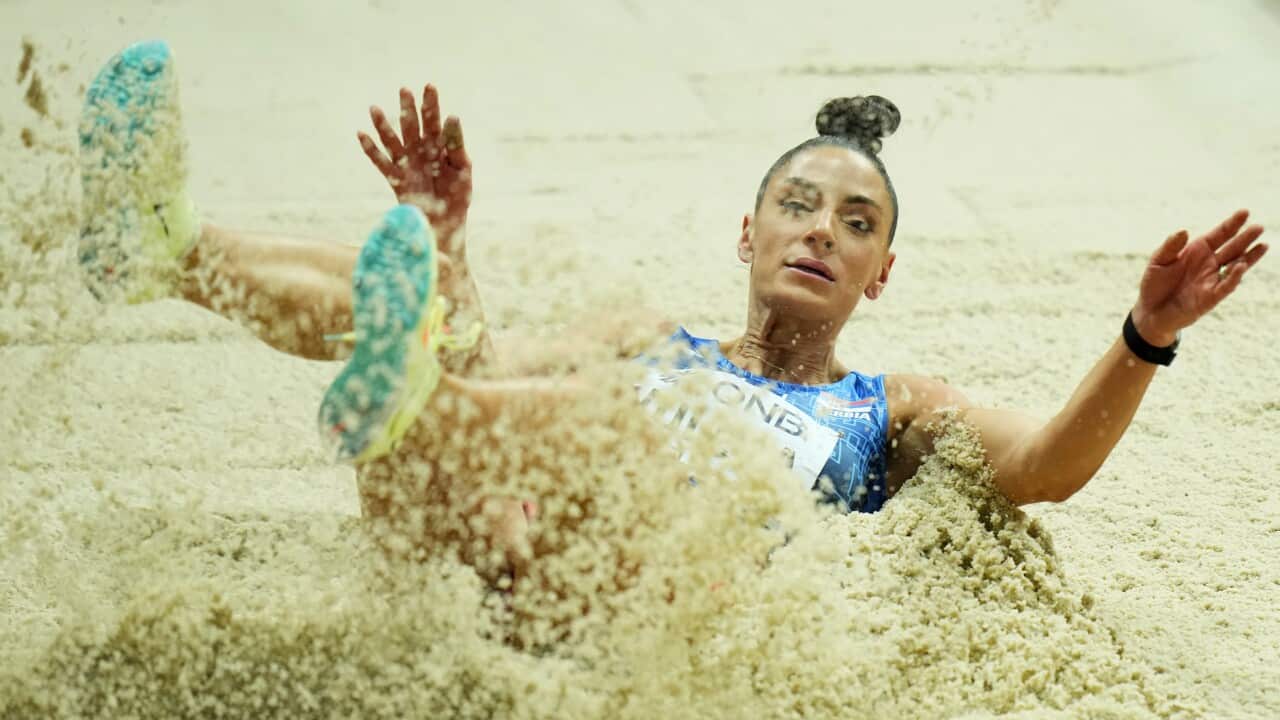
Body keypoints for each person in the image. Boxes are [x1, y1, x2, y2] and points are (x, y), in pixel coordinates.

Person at [78, 41, 1269, 584]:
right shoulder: (647, 340)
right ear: (744, 238)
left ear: (880, 273)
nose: (820, 230)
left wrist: (1143, 335)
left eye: (854, 224)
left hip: (623, 591)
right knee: (453, 314)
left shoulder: (886, 409)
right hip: (476, 527)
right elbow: (489, 365)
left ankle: (404, 411)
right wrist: (443, 251)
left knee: (611, 423)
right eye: (796, 207)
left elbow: (1046, 467)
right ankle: (163, 249)